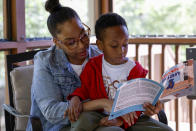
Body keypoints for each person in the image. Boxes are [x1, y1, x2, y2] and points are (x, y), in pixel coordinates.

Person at [68, 13, 173, 131]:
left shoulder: (135, 70)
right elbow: (83, 90)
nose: (121, 51)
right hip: (99, 115)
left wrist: (123, 120)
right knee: (83, 120)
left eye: (125, 44)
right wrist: (75, 98)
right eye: (114, 46)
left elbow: (138, 106)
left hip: (130, 118)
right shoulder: (93, 66)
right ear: (100, 45)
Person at [26, 0, 102, 130]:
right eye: (71, 42)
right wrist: (100, 104)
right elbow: (52, 111)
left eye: (83, 35)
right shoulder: (45, 61)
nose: (82, 45)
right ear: (57, 42)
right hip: (55, 127)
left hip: (94, 123)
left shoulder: (98, 56)